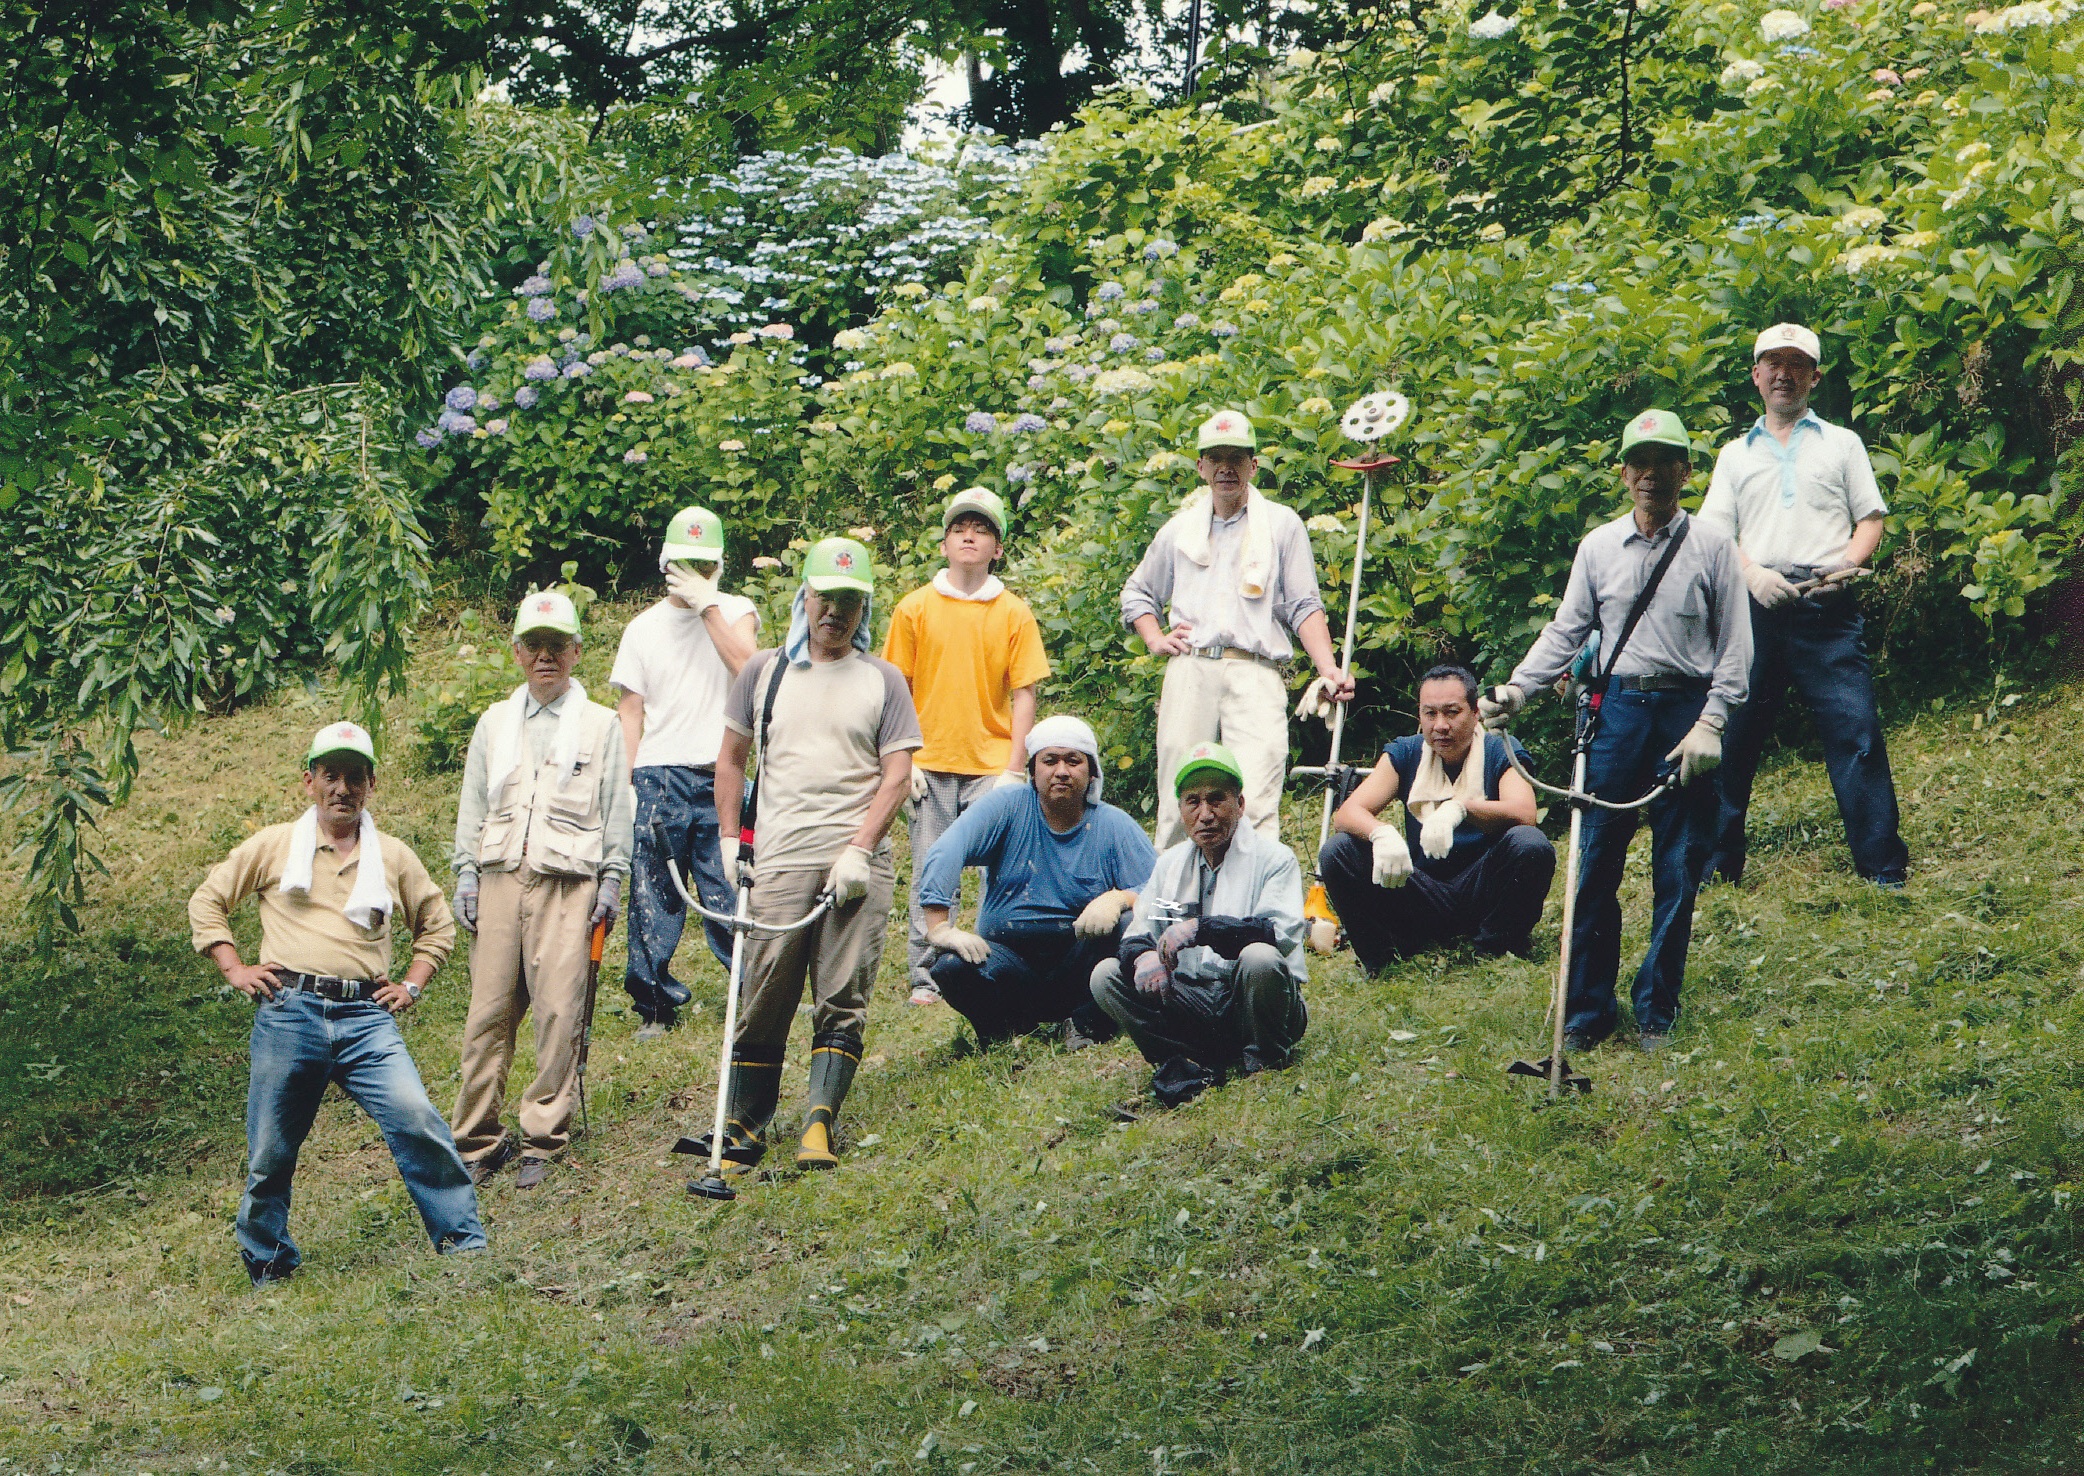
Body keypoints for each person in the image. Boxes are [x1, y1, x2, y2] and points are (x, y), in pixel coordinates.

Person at [1479, 409, 1750, 1054]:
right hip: (1617, 714)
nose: (1652, 475)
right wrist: (1519, 688)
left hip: (1687, 713)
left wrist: (1713, 722)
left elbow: (1737, 646)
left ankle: (1658, 1009)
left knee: (1679, 866)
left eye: (1666, 462)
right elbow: (1567, 631)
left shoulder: (1712, 546)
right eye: (1640, 463)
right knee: (1595, 861)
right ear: (1625, 473)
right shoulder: (1598, 547)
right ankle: (1585, 1012)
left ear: (1687, 471)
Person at [189, 722, 483, 1284]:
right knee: (270, 1148)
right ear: (309, 782)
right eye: (330, 776)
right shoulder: (275, 845)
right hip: (289, 1010)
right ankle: (268, 1263)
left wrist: (413, 984)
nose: (341, 789)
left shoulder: (393, 856)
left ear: (372, 785)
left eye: (354, 777)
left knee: (417, 1118)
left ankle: (464, 1246)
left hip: (366, 1018)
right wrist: (234, 967)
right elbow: (209, 900)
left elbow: (437, 925)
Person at [704, 537, 922, 1174]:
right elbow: (731, 759)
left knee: (842, 993)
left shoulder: (883, 680)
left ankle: (818, 1126)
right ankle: (743, 1129)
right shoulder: (763, 672)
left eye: (852, 601)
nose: (838, 612)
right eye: (828, 597)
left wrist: (860, 847)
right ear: (804, 596)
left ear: (864, 608)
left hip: (857, 863)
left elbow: (898, 774)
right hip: (779, 855)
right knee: (765, 988)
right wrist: (727, 839)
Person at [1700, 322, 1910, 888]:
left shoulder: (1842, 444)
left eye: (1796, 364)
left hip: (1826, 609)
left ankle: (1883, 869)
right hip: (1753, 612)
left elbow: (1870, 519)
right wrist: (1750, 574)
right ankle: (1718, 869)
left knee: (1856, 733)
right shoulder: (1732, 455)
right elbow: (1716, 535)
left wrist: (1846, 564)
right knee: (1732, 736)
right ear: (1756, 376)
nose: (1783, 374)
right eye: (1773, 363)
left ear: (1815, 376)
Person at [449, 590, 633, 1190]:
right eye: (534, 646)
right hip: (501, 876)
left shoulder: (603, 725)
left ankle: (543, 1139)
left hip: (569, 883)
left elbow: (617, 808)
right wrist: (466, 874)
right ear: (517, 652)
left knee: (559, 1011)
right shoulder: (493, 722)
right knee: (487, 1013)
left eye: (557, 646)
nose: (545, 656)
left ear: (577, 652)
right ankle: (477, 1140)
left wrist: (612, 880)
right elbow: (473, 806)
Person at [1120, 410, 1354, 849]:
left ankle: (1255, 909)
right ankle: (1171, 907)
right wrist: (1155, 638)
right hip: (1191, 668)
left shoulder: (1282, 524)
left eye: (1236, 457)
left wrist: (1330, 670)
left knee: (1258, 797)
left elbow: (1304, 605)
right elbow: (1137, 593)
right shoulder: (1178, 530)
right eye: (1216, 457)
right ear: (1201, 467)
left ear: (1253, 465)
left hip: (1255, 669)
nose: (1226, 467)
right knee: (1178, 795)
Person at [884, 487, 1051, 1007]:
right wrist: (903, 757)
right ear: (944, 543)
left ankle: (991, 958)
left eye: (981, 530)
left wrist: (1014, 768)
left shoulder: (1013, 613)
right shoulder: (914, 608)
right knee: (933, 868)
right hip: (928, 765)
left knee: (999, 873)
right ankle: (926, 974)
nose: (969, 537)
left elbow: (1026, 694)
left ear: (997, 547)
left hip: (990, 767)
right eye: (959, 529)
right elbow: (895, 688)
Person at [914, 714, 1157, 1048]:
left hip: (1080, 966)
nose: (1061, 771)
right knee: (951, 967)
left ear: (1092, 772)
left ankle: (1086, 1023)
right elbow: (946, 850)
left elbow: (1161, 889)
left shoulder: (1115, 826)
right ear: (1032, 770)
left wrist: (1119, 898)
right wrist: (940, 928)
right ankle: (1002, 1031)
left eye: (1074, 761)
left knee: (1129, 924)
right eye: (1050, 760)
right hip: (1008, 965)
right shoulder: (1006, 808)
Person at [610, 506, 761, 1038]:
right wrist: (626, 782)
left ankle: (755, 992)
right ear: (665, 563)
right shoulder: (642, 628)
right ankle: (654, 1004)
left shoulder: (737, 610)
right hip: (658, 773)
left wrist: (709, 607)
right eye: (684, 565)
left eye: (704, 565)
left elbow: (750, 670)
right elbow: (632, 711)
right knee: (654, 894)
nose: (693, 575)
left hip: (723, 768)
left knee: (732, 887)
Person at [1090, 742, 1309, 1106]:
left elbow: (1277, 933)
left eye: (1216, 799)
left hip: (1252, 998)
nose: (1205, 814)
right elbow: (1141, 929)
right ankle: (1179, 1059)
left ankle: (1264, 1056)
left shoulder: (1273, 859)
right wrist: (1144, 957)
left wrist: (1201, 929)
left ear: (1239, 805)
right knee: (1107, 975)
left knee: (1259, 957)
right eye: (1193, 801)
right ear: (1181, 810)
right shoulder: (1171, 864)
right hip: (1193, 1000)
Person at [1320, 665, 1555, 970]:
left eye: (1452, 712)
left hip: (1482, 888)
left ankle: (1495, 948)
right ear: (1419, 715)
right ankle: (1381, 957)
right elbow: (1348, 813)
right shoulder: (1406, 752)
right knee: (1338, 850)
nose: (1440, 726)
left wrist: (1461, 809)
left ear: (1475, 713)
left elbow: (1525, 813)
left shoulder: (1498, 749)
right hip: (1420, 891)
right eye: (1430, 714)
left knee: (1530, 843)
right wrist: (1381, 833)